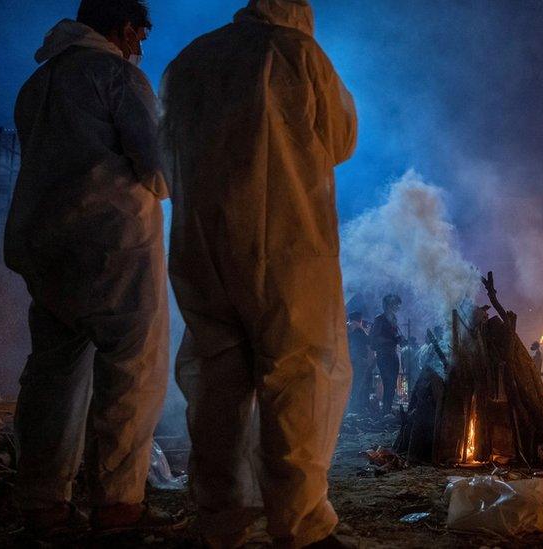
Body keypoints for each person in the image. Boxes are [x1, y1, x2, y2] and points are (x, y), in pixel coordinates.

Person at [160, 0, 357, 546]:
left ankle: (221, 516)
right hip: (286, 244)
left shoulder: (188, 61)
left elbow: (163, 154)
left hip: (201, 245)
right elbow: (341, 138)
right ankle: (300, 523)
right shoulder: (297, 52)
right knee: (297, 375)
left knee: (216, 380)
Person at [4, 0, 177, 535]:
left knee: (54, 375)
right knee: (132, 372)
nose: (141, 48)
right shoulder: (118, 76)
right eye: (139, 36)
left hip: (46, 250)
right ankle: (118, 506)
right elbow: (157, 167)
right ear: (125, 29)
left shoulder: (37, 86)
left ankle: (42, 503)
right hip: (113, 247)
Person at [371, 294, 406, 415]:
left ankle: (387, 409)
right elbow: (374, 339)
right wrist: (392, 340)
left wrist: (400, 339)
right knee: (388, 383)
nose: (397, 307)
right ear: (388, 305)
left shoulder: (393, 319)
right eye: (395, 304)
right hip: (384, 355)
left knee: (392, 384)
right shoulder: (379, 319)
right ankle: (385, 411)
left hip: (393, 354)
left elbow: (395, 336)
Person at [347, 312, 373, 413]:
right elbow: (369, 341)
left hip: (349, 359)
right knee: (357, 385)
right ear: (359, 319)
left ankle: (348, 409)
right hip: (358, 360)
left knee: (350, 384)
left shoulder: (345, 327)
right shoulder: (358, 328)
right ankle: (354, 409)